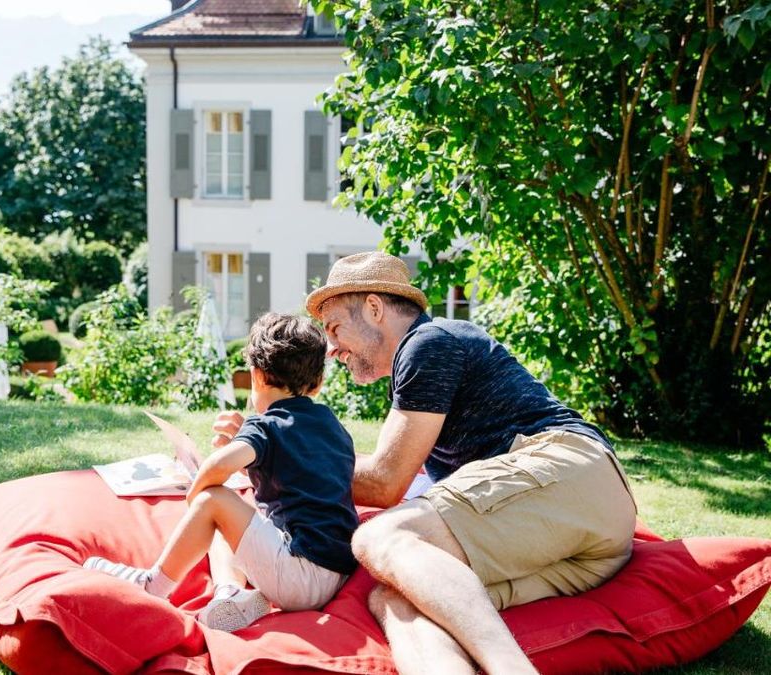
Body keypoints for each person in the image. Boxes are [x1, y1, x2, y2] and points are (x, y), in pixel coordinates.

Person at [213, 252, 637, 674]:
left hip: (568, 471)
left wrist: (268, 454)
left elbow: (384, 483)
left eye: (336, 327)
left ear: (374, 308)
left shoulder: (428, 344)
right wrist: (267, 451)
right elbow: (361, 466)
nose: (331, 348)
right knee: (396, 599)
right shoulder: (421, 357)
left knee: (379, 536)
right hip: (569, 535)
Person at [85, 312, 360, 632]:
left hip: (298, 575)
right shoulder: (331, 426)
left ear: (257, 376)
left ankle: (152, 584)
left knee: (213, 500)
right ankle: (229, 593)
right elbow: (300, 471)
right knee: (229, 518)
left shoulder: (265, 424)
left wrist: (196, 497)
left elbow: (219, 465)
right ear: (319, 382)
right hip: (337, 574)